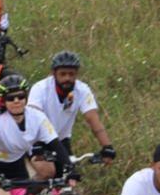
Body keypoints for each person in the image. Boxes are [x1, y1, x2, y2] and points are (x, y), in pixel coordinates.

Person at [27, 50, 116, 178]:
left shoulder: (82, 90)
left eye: (71, 74)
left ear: (76, 74)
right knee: (47, 173)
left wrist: (107, 146)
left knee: (69, 177)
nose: (67, 78)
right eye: (62, 74)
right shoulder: (40, 89)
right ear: (53, 73)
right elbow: (32, 118)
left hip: (61, 140)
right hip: (36, 140)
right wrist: (37, 146)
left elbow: (92, 118)